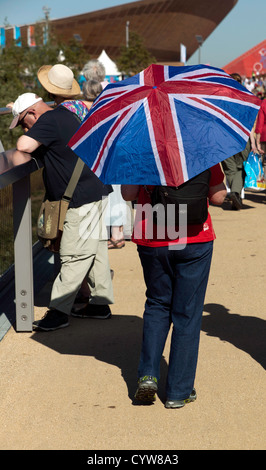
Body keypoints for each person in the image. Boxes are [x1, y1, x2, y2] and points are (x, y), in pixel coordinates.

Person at [121, 164, 226, 408]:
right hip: (194, 237)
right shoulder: (201, 146)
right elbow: (219, 196)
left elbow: (128, 194)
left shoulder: (141, 145)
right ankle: (179, 391)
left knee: (157, 303)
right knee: (187, 313)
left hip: (153, 234)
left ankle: (148, 375)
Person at [10, 88, 114, 331]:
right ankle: (100, 304)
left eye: (24, 121)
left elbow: (23, 146)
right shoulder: (65, 114)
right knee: (96, 250)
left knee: (73, 256)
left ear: (32, 113)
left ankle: (58, 311)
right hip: (94, 190)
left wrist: (29, 133)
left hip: (80, 198)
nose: (24, 128)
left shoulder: (48, 120)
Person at [221, 73, 257, 210]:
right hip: (243, 138)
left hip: (226, 138)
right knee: (240, 168)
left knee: (230, 169)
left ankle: (234, 193)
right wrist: (253, 143)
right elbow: (250, 124)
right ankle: (236, 192)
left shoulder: (222, 98)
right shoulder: (246, 98)